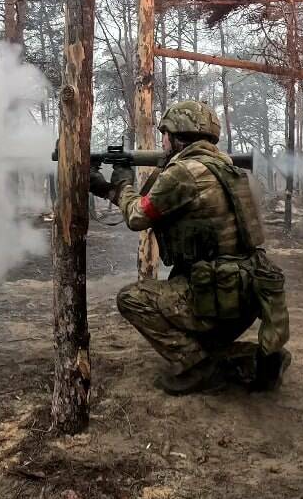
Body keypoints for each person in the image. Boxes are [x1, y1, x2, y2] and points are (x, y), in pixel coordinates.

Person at [89, 101, 291, 396]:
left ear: (175, 135)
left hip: (216, 298)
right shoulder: (227, 168)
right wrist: (108, 189)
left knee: (132, 298)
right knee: (186, 298)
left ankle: (199, 370)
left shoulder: (183, 173)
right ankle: (255, 359)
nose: (162, 141)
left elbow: (137, 217)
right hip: (246, 296)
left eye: (165, 134)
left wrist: (121, 184)